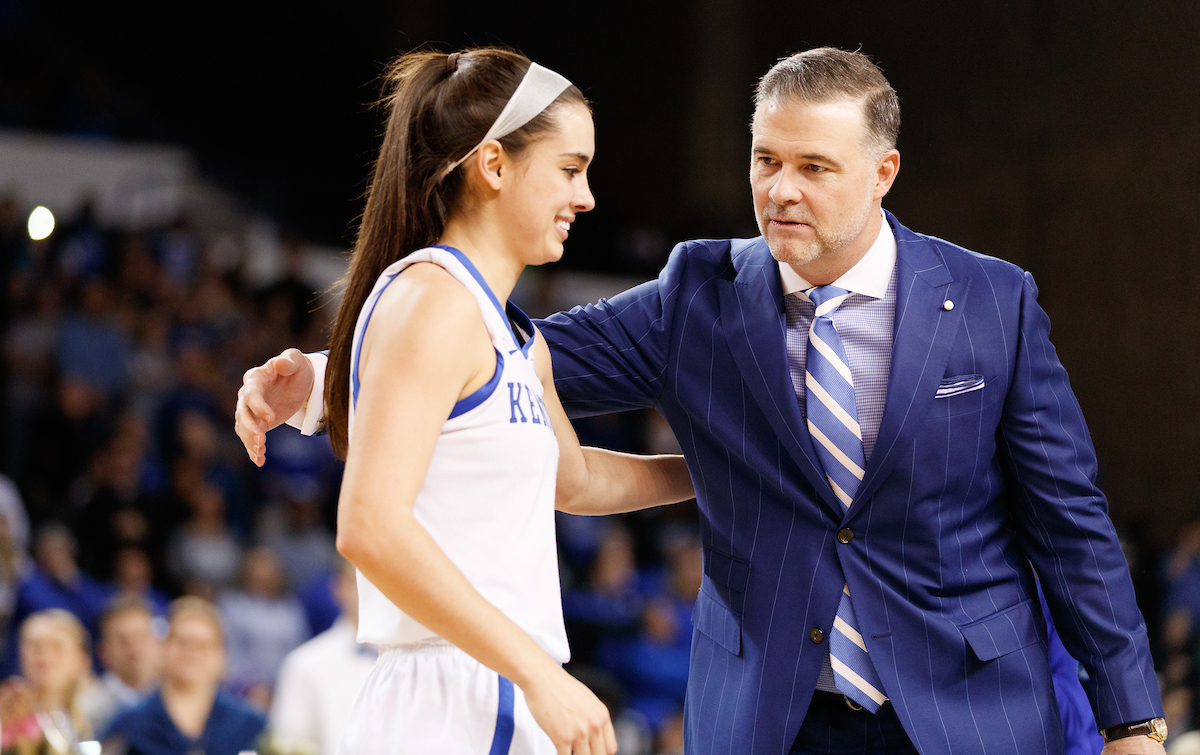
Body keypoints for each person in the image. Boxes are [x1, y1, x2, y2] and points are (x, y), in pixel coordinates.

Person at [236, 47, 1165, 754]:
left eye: (813, 167)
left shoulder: (993, 302)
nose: (779, 189)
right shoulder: (700, 289)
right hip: (769, 714)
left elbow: (1071, 522)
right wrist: (323, 381)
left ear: (882, 174)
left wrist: (1136, 720)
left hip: (969, 710)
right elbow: (508, 361)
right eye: (765, 160)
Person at [240, 47, 693, 755]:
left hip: (491, 683)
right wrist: (537, 672)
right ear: (493, 166)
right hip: (452, 693)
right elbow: (368, 526)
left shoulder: (512, 331)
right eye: (570, 169)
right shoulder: (433, 301)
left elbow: (574, 480)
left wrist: (706, 474)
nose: (587, 197)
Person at [101, 596, 266, 755]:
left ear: (221, 656)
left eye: (203, 645)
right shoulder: (131, 724)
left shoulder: (250, 725)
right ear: (163, 647)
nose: (192, 653)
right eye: (182, 642)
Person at [269, 558, 376, 755]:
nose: (376, 593)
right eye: (363, 582)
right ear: (340, 588)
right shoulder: (304, 665)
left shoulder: (422, 663)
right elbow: (287, 746)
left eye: (381, 582)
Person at [0, 609, 94, 753]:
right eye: (34, 646)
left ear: (82, 660)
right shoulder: (6, 713)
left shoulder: (95, 717)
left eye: (57, 647)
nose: (44, 656)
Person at [78, 595, 163, 734]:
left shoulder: (179, 700)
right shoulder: (87, 711)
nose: (134, 648)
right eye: (122, 640)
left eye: (140, 636)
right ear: (103, 653)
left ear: (158, 643)